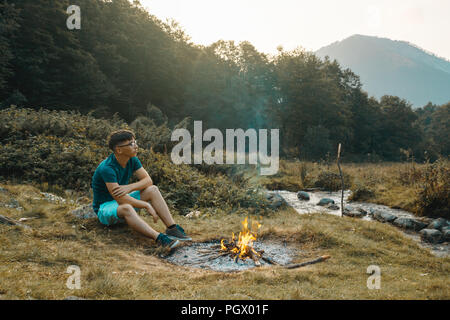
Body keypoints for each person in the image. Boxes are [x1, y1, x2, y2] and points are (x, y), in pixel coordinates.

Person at [91, 129, 191, 249]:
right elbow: (121, 200)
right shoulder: (107, 168)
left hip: (120, 201)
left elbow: (148, 180)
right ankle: (160, 238)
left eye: (135, 142)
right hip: (105, 207)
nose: (136, 146)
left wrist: (129, 187)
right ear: (119, 150)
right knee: (126, 207)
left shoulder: (132, 159)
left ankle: (172, 229)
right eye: (131, 144)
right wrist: (146, 205)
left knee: (153, 189)